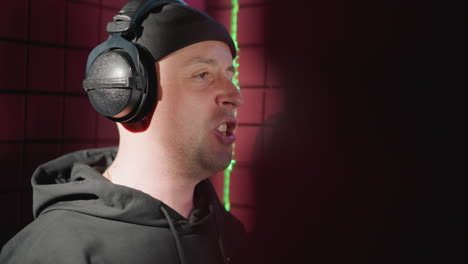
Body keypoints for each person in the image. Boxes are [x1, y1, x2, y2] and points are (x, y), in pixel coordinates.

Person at [0, 0, 246, 263]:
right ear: (122, 91)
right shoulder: (53, 251)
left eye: (229, 76)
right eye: (202, 74)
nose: (235, 96)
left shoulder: (231, 235)